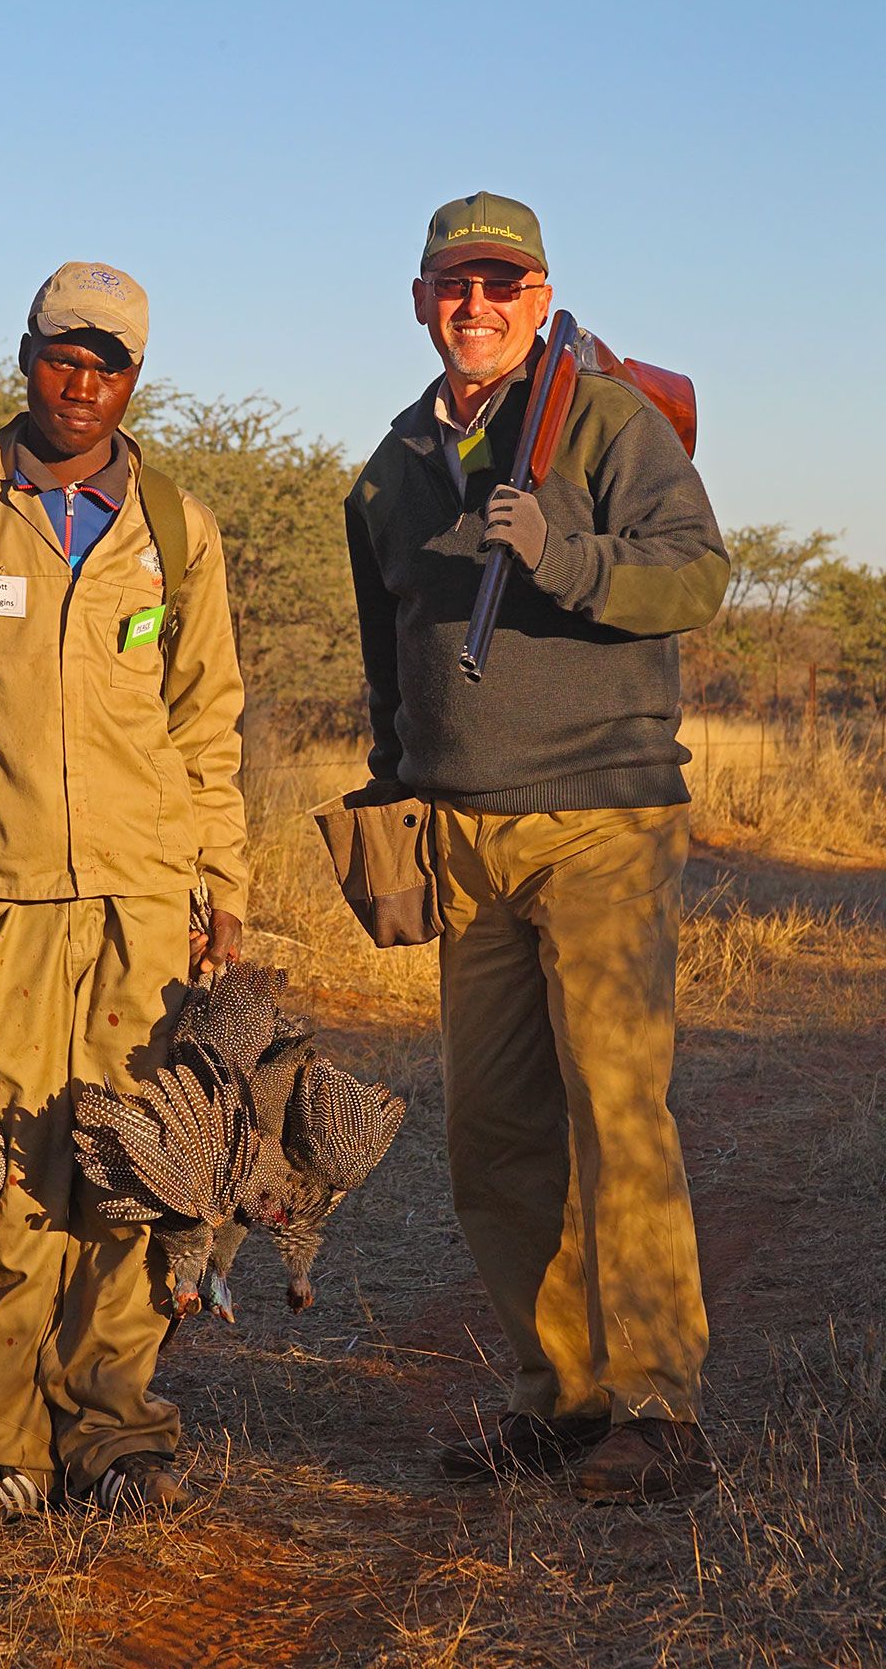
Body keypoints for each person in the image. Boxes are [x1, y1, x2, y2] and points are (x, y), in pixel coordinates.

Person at [344, 193, 729, 1504]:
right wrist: (393, 797)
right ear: (419, 300)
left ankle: (661, 1409)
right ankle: (562, 1397)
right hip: (462, 836)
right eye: (454, 284)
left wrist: (560, 551)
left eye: (503, 284)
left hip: (603, 816)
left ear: (538, 291)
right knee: (495, 1131)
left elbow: (695, 577)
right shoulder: (391, 465)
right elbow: (388, 656)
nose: (477, 305)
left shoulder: (608, 419)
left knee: (617, 1113)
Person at [0, 261, 247, 1527]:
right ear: (23, 355)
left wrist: (222, 881)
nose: (80, 387)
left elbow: (208, 725)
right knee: (11, 1175)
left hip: (145, 902)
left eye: (109, 366)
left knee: (135, 1171)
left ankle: (118, 1433)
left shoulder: (179, 529)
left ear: (137, 380)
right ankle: (6, 1454)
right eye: (59, 358)